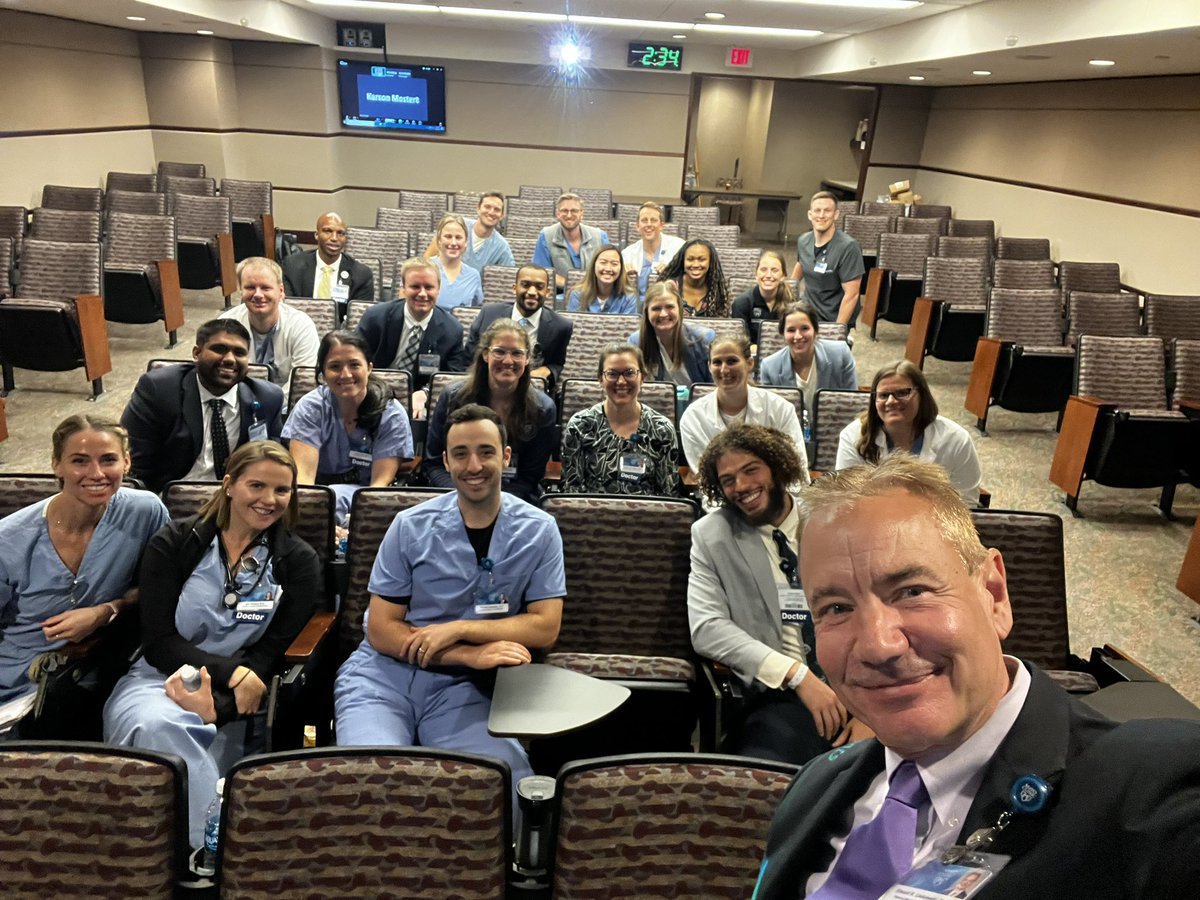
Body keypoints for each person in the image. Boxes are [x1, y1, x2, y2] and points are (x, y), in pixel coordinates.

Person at [753, 455, 1200, 899]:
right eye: (836, 608)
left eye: (912, 592)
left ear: (994, 594)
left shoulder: (1149, 788)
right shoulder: (814, 788)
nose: (877, 645)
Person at [334, 404, 565, 804]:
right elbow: (383, 629)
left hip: (462, 690)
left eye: (486, 451)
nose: (473, 464)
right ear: (446, 461)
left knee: (503, 781)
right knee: (371, 779)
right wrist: (467, 654)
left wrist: (458, 629)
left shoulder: (539, 530)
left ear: (506, 457)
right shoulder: (409, 526)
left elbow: (544, 626)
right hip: (382, 678)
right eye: (460, 453)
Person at [103, 441, 321, 850]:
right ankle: (212, 851)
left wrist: (221, 703)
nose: (269, 500)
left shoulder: (298, 561)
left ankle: (189, 855)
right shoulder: (175, 543)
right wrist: (233, 674)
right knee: (157, 724)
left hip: (239, 697)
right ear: (229, 485)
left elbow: (271, 651)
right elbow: (160, 642)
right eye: (256, 485)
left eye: (282, 490)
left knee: (178, 743)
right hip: (159, 678)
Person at [688, 424, 865, 765]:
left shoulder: (833, 518)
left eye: (751, 470)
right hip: (781, 696)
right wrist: (797, 675)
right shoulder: (712, 536)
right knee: (769, 783)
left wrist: (869, 713)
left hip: (858, 683)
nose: (741, 487)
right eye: (728, 480)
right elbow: (706, 627)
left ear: (776, 466)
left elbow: (873, 606)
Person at [0, 416, 168, 738]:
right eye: (79, 461)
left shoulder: (145, 512)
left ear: (127, 462)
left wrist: (105, 612)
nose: (96, 474)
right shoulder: (9, 541)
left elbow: (161, 590)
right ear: (56, 465)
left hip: (101, 669)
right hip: (16, 683)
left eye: (108, 460)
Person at [122, 319, 285, 494]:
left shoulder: (267, 398)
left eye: (239, 353)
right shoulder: (159, 390)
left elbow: (271, 463)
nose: (230, 359)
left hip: (234, 499)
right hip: (169, 497)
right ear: (196, 353)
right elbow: (135, 462)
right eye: (219, 349)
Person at [281, 331, 414, 522]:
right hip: (318, 500)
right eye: (335, 367)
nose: (345, 374)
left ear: (369, 368)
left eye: (354, 365)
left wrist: (352, 527)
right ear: (323, 374)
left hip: (368, 501)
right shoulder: (310, 408)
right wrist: (319, 523)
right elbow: (304, 484)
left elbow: (378, 487)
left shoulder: (391, 413)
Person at [424, 320, 556, 505]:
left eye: (517, 353)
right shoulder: (453, 398)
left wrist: (493, 503)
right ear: (486, 354)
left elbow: (530, 476)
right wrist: (464, 496)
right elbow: (434, 463)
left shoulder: (543, 409)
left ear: (527, 359)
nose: (508, 361)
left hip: (514, 499)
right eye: (499, 352)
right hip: (456, 495)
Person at [836, 360, 981, 504]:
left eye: (902, 393)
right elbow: (847, 499)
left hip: (936, 523)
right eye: (883, 395)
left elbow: (967, 503)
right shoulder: (852, 436)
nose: (891, 401)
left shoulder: (956, 440)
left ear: (922, 395)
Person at [679, 335, 809, 479]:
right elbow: (706, 477)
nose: (724, 370)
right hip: (722, 500)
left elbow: (798, 470)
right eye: (717, 362)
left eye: (732, 361)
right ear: (709, 366)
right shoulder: (693, 417)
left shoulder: (781, 409)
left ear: (749, 363)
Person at [356, 256, 470, 420]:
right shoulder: (375, 318)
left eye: (429, 287)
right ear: (403, 288)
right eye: (415, 286)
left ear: (438, 289)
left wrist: (425, 394)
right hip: (373, 389)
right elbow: (356, 360)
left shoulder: (452, 330)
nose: (422, 294)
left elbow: (452, 377)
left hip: (420, 402)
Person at [560, 343, 680, 496]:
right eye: (612, 374)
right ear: (600, 379)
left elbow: (668, 495)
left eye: (629, 373)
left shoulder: (661, 429)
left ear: (642, 377)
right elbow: (571, 491)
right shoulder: (580, 425)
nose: (621, 381)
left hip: (647, 516)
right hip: (591, 516)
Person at [759, 300, 859, 459]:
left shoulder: (840, 354)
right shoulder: (769, 366)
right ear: (783, 334)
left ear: (815, 330)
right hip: (790, 440)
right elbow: (772, 418)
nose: (798, 336)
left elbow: (852, 405)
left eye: (804, 328)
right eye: (791, 330)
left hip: (836, 433)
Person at [465, 264, 574, 391]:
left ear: (547, 292)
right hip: (486, 384)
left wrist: (548, 370)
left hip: (532, 389)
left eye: (539, 287)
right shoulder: (488, 315)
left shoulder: (560, 326)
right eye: (526, 285)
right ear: (514, 288)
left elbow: (557, 363)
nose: (532, 292)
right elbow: (469, 358)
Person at [219, 256, 320, 387]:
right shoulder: (225, 325)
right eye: (250, 287)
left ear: (281, 291)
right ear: (241, 291)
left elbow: (302, 383)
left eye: (265, 288)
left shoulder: (301, 326)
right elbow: (218, 378)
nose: (258, 295)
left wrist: (275, 405)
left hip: (288, 404)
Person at [790, 191, 865, 329]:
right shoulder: (803, 240)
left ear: (836, 214)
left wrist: (837, 330)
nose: (821, 215)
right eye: (817, 211)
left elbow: (852, 294)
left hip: (833, 317)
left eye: (827, 211)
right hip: (808, 312)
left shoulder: (848, 247)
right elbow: (800, 266)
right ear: (810, 215)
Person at [629, 281, 714, 388]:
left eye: (670, 307)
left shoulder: (704, 339)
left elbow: (714, 387)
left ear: (679, 309)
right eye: (656, 308)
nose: (663, 314)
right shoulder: (636, 342)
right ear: (646, 312)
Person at [281, 212, 375, 305]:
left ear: (345, 238)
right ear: (316, 235)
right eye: (328, 231)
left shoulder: (361, 275)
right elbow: (287, 309)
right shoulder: (292, 266)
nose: (334, 238)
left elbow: (359, 316)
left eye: (340, 233)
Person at [532, 192, 611, 291]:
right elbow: (541, 272)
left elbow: (608, 269)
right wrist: (572, 285)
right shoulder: (546, 236)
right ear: (558, 213)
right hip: (559, 296)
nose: (569, 215)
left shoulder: (600, 237)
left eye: (574, 211)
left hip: (594, 293)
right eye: (564, 210)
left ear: (581, 213)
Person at [423, 192, 515, 270]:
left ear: (502, 215)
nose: (491, 212)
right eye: (487, 207)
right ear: (478, 209)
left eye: (497, 210)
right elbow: (427, 261)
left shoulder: (502, 247)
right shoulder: (457, 226)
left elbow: (507, 278)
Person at [620, 201, 684, 301]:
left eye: (653, 220)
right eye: (644, 220)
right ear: (637, 226)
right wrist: (622, 275)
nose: (649, 224)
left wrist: (672, 272)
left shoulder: (679, 247)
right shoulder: (627, 254)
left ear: (661, 225)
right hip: (636, 308)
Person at [730, 250, 794, 341]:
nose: (768, 275)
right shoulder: (741, 303)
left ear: (783, 276)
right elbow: (740, 343)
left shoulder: (792, 303)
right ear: (756, 274)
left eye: (774, 270)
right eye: (763, 270)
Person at [660, 237, 729, 318]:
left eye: (702, 259)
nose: (695, 264)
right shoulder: (669, 288)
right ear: (683, 261)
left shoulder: (717, 290)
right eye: (690, 259)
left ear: (710, 262)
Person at [429, 213, 484, 309]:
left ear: (466, 242)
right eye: (448, 237)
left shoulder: (473, 276)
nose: (453, 243)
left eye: (458, 238)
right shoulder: (424, 268)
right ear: (438, 241)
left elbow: (475, 312)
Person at [567, 245, 637, 315]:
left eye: (614, 264)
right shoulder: (577, 295)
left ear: (621, 268)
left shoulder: (629, 298)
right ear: (593, 265)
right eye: (603, 262)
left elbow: (627, 325)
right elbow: (575, 324)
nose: (608, 269)